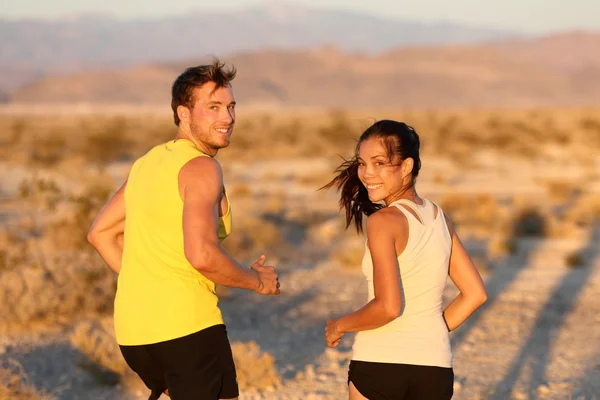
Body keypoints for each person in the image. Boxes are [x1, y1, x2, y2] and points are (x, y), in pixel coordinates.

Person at [87, 59, 281, 400]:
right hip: (187, 329)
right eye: (214, 108)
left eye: (231, 107)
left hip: (134, 334)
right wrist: (258, 282)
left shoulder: (147, 163)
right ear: (184, 113)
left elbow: (100, 234)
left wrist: (150, 282)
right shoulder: (202, 168)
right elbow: (202, 254)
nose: (227, 118)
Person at [322, 120, 487, 400]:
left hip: (380, 363)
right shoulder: (438, 217)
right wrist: (427, 331)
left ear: (407, 167)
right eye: (362, 163)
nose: (366, 173)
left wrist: (339, 325)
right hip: (434, 367)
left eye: (379, 163)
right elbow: (475, 294)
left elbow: (388, 307)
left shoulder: (383, 221)